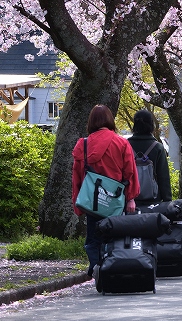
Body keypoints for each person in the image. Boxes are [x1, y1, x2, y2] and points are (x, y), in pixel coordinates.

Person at [71, 104, 139, 278]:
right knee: (115, 236)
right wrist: (130, 198)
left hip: (93, 201)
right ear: (110, 120)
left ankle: (96, 265)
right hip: (116, 201)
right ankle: (113, 268)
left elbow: (77, 177)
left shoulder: (83, 145)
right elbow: (130, 172)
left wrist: (77, 204)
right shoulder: (121, 143)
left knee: (93, 240)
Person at [127, 109, 173, 204]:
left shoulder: (125, 146)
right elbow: (163, 177)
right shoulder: (157, 147)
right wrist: (167, 201)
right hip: (153, 201)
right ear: (151, 124)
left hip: (130, 201)